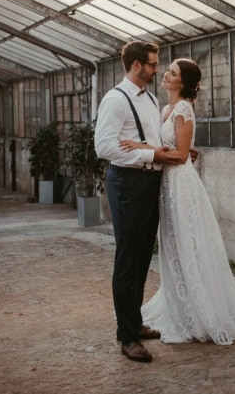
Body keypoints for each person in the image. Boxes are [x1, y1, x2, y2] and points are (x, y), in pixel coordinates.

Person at [120, 58, 235, 345]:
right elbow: (176, 146)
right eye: (168, 70)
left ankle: (201, 312)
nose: (166, 74)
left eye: (173, 73)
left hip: (182, 186)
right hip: (167, 185)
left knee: (190, 245)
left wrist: (142, 147)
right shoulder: (165, 109)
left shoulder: (184, 108)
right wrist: (166, 150)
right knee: (175, 246)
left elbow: (180, 155)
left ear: (183, 83)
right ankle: (183, 307)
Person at [94, 40, 165, 363]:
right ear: (136, 65)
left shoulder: (150, 97)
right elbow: (105, 147)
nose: (156, 69)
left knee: (140, 259)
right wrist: (150, 154)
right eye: (152, 64)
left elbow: (152, 140)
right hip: (128, 184)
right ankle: (127, 337)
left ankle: (134, 324)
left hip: (150, 182)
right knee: (127, 259)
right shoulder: (115, 99)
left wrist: (173, 151)